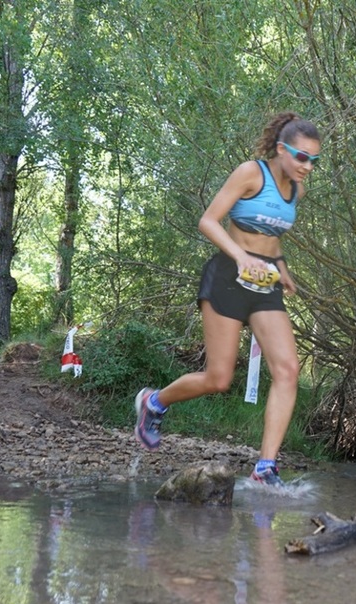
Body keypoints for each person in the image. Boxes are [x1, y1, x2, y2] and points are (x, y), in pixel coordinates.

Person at [134, 111, 321, 487]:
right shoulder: (251, 173)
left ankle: (266, 468)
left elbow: (272, 235)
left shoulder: (297, 189)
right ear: (282, 149)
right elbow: (208, 220)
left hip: (264, 285)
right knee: (219, 379)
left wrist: (280, 266)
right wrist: (241, 256)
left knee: (288, 370)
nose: (308, 167)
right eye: (302, 157)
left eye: (315, 160)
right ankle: (154, 402)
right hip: (227, 278)